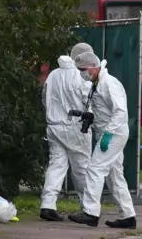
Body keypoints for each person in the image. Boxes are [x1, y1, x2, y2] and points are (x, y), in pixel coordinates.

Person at [67, 52, 137, 229]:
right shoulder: (97, 83)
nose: (81, 73)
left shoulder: (109, 83)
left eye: (83, 69)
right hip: (109, 132)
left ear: (93, 67)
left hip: (113, 134)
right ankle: (128, 216)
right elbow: (103, 109)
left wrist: (108, 134)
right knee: (114, 176)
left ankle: (90, 213)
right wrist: (90, 116)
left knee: (95, 168)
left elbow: (120, 112)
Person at [39, 43, 94, 222]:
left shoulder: (54, 75)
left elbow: (45, 98)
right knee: (82, 169)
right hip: (76, 128)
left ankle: (47, 204)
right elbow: (90, 102)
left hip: (54, 126)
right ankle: (89, 208)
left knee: (56, 165)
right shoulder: (81, 77)